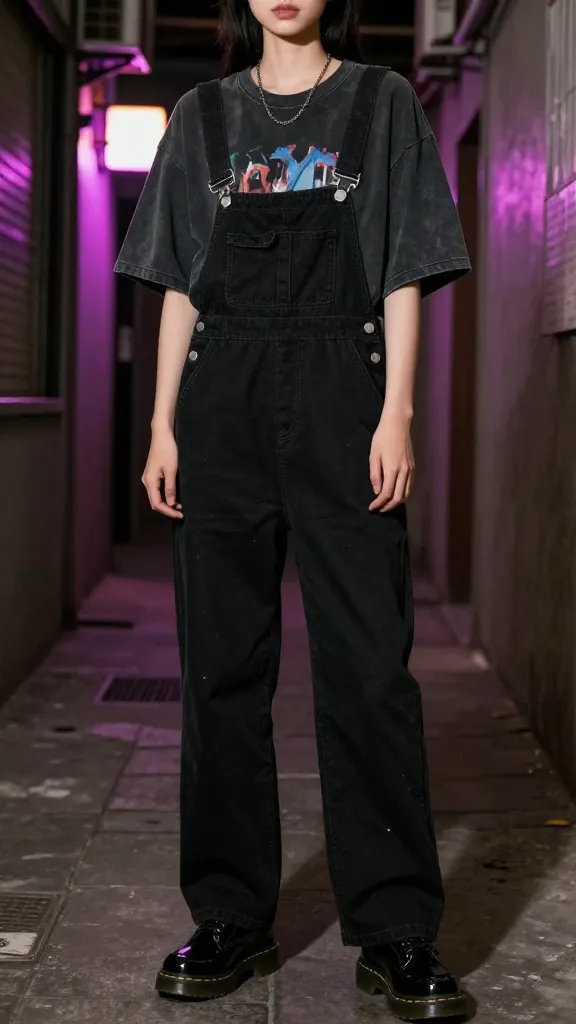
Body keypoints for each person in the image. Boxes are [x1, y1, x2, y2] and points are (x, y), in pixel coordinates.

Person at [114, 0, 471, 1018]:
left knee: (368, 669)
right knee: (223, 669)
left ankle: (398, 928)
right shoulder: (202, 117)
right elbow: (181, 281)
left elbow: (403, 263)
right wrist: (163, 424)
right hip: (221, 402)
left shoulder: (381, 101)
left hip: (340, 398)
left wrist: (396, 412)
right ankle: (230, 913)